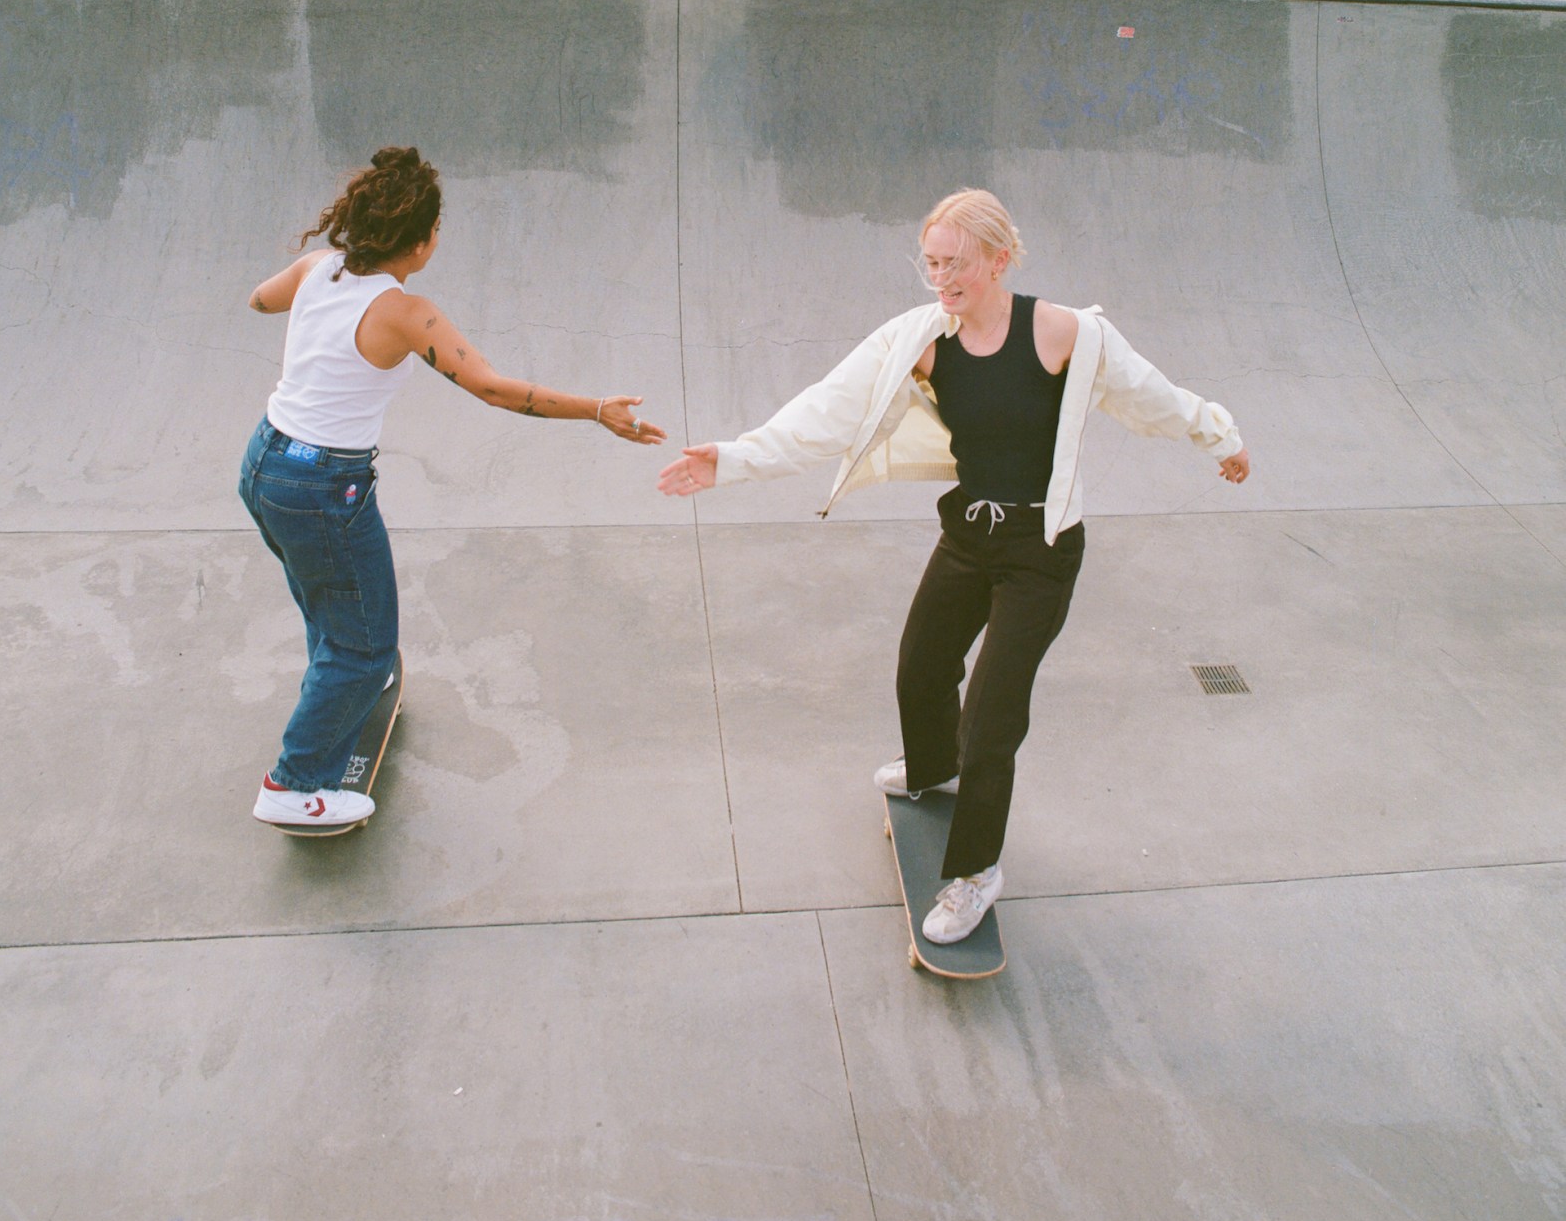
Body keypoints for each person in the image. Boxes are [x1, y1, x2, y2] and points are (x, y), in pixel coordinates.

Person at [658, 187, 1248, 945]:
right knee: (920, 664)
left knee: (993, 718)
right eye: (931, 263)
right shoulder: (920, 338)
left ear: (999, 259)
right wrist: (732, 459)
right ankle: (931, 767)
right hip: (968, 535)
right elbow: (826, 409)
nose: (941, 278)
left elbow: (1149, 397)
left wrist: (1218, 437)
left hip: (1038, 556)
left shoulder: (1066, 334)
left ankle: (974, 873)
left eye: (956, 263)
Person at [241, 146, 666, 828]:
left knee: (323, 589)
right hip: (323, 485)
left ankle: (346, 677)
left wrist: (302, 296)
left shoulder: (316, 268)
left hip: (264, 461)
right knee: (366, 642)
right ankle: (293, 783)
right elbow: (494, 388)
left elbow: (260, 298)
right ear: (421, 240)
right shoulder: (407, 312)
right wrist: (596, 409)